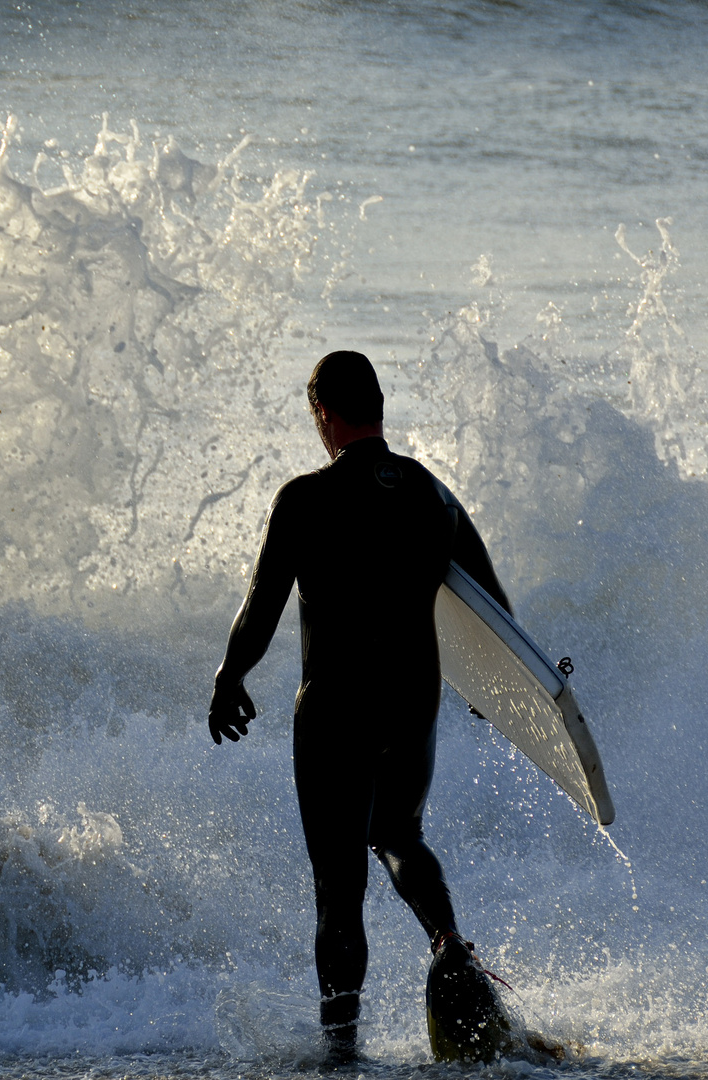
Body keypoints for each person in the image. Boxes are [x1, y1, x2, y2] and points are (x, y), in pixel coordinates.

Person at [207, 350, 513, 1063]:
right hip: (412, 700)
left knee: (339, 888)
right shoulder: (433, 496)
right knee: (401, 836)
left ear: (324, 413)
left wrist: (231, 676)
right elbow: (495, 609)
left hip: (335, 707)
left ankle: (341, 1051)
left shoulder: (305, 500)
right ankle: (449, 944)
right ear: (378, 407)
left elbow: (261, 607)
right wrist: (497, 695)